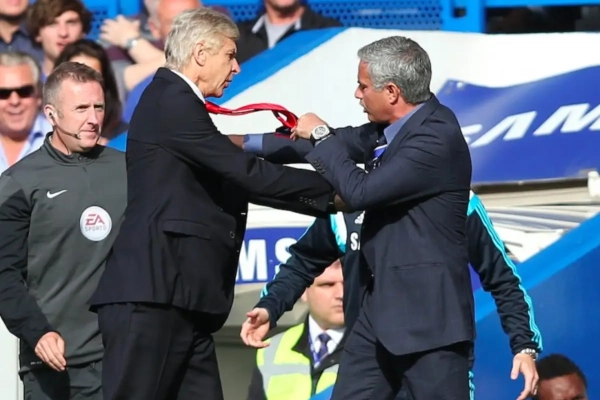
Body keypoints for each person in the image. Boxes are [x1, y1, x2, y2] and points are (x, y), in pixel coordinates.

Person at [88, 8, 339, 400]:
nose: (237, 67)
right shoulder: (172, 100)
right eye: (230, 55)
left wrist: (331, 164)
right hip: (155, 298)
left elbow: (237, 167)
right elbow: (243, 171)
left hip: (183, 299)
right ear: (201, 53)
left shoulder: (176, 103)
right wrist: (338, 192)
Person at [240, 35, 474, 400]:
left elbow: (359, 191)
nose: (357, 94)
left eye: (363, 86)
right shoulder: (392, 130)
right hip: (376, 319)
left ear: (392, 92)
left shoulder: (436, 137)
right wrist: (232, 144)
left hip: (429, 324)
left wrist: (320, 134)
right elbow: (329, 144)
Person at [0, 61, 126, 400]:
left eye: (98, 107)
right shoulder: (18, 183)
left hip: (121, 359)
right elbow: (3, 274)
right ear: (51, 115)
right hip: (53, 366)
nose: (93, 118)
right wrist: (37, 332)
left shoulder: (127, 169)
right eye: (81, 108)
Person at [247, 260, 346, 400]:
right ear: (303, 291)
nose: (341, 294)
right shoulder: (270, 349)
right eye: (327, 285)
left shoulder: (372, 346)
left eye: (347, 284)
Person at [55, 39, 128, 141]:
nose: (84, 87)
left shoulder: (125, 139)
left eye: (94, 78)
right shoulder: (43, 131)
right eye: (75, 77)